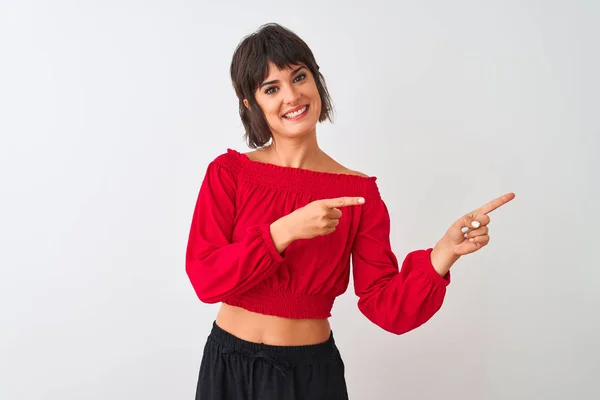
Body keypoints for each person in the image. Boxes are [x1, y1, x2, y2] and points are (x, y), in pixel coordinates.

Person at [185, 22, 515, 400]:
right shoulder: (229, 174)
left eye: (300, 77)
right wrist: (284, 230)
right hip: (229, 367)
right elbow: (205, 278)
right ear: (251, 103)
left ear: (317, 81)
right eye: (271, 88)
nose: (292, 96)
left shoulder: (358, 194)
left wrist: (444, 253)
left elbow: (384, 305)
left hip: (310, 375)